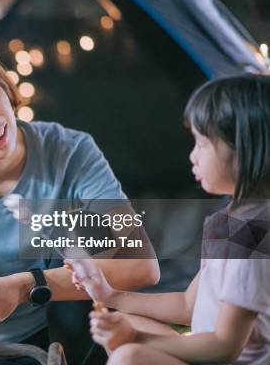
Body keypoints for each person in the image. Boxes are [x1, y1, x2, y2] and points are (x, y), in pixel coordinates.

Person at [0, 40, 160, 364]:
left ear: (4, 86)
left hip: (90, 323)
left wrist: (28, 285)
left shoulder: (72, 150)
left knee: (83, 227)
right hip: (11, 342)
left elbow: (143, 264)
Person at [68, 74, 270, 364]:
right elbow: (189, 305)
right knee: (127, 322)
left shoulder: (253, 234)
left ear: (243, 149)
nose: (192, 156)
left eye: (202, 143)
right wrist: (110, 296)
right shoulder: (230, 221)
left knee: (130, 356)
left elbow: (225, 347)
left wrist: (134, 340)